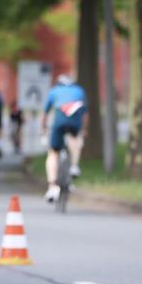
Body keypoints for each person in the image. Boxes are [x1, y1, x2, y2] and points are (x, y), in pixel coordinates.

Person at [41, 74, 88, 203]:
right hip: (75, 119)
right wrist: (83, 129)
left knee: (53, 152)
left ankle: (52, 187)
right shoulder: (79, 90)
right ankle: (74, 166)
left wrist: (44, 129)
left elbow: (46, 112)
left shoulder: (54, 91)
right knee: (75, 139)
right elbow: (85, 113)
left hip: (60, 119)